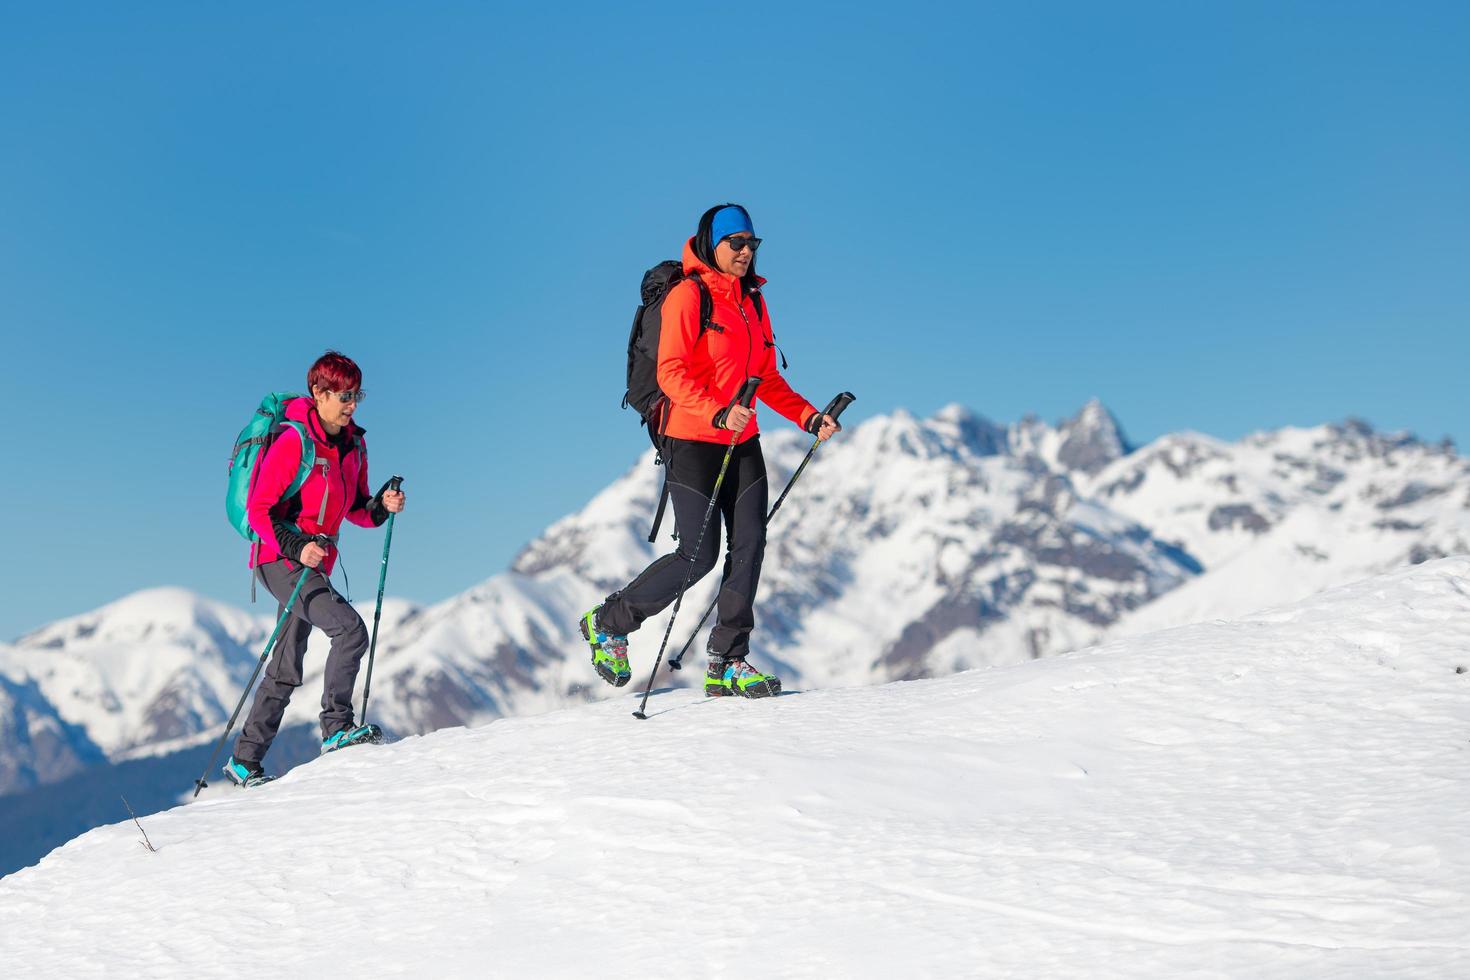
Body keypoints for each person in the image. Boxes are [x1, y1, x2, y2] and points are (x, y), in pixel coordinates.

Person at [580, 204, 839, 699]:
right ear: (712, 244)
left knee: (750, 546)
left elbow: (766, 379)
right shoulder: (688, 296)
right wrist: (717, 412)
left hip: (742, 441)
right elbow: (670, 373)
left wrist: (808, 416)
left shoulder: (754, 302)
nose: (746, 252)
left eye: (753, 244)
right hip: (691, 437)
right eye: (736, 243)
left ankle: (728, 660)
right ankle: (607, 623)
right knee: (697, 556)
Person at [223, 350, 406, 787]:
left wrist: (380, 505)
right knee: (350, 630)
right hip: (278, 559)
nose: (352, 404)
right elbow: (259, 509)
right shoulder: (293, 442)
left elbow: (355, 510)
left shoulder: (353, 445)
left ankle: (244, 761)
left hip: (312, 562)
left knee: (286, 665)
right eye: (344, 395)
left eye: (356, 394)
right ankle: (337, 729)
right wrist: (297, 544)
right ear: (318, 393)